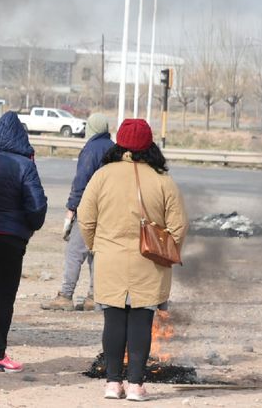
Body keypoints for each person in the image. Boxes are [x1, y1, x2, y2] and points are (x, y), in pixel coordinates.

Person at [77, 119, 188, 401]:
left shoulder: (102, 176)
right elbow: (178, 226)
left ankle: (113, 384)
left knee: (113, 321)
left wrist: (97, 246)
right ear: (150, 146)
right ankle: (136, 386)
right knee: (141, 323)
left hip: (110, 260)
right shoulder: (163, 180)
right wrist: (166, 252)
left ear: (119, 144)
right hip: (150, 263)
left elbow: (85, 218)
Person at [0, 111, 47, 373]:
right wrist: (29, 226)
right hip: (12, 239)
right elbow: (36, 206)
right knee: (4, 298)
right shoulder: (24, 165)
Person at [41, 114, 115, 312]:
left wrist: (72, 207)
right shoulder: (114, 148)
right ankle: (94, 296)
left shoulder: (91, 149)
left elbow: (82, 182)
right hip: (108, 210)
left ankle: (66, 295)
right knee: (96, 253)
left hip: (89, 209)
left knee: (75, 252)